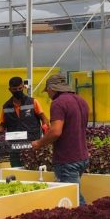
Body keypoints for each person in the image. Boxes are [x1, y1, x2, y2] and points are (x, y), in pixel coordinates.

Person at [31, 74, 90, 205]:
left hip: (67, 158)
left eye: (48, 91)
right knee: (75, 195)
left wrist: (39, 143)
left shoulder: (58, 103)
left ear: (52, 88)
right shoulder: (81, 101)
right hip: (82, 156)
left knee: (72, 199)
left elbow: (56, 131)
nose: (48, 95)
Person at [0, 76, 49, 167]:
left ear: (23, 87)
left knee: (32, 170)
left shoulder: (33, 102)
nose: (18, 91)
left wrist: (45, 128)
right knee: (16, 170)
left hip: (32, 143)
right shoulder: (6, 106)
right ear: (10, 90)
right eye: (15, 89)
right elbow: (2, 124)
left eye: (20, 88)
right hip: (15, 146)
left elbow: (44, 118)